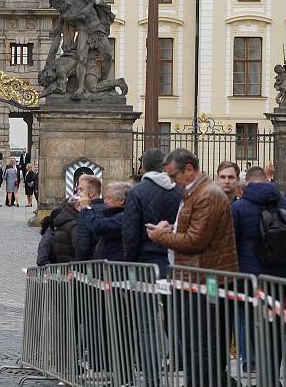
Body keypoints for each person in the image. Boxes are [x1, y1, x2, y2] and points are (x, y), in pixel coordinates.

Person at [146, 149, 239, 387]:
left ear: (189, 169)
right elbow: (189, 232)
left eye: (174, 175)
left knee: (202, 344)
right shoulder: (193, 191)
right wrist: (170, 230)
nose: (172, 181)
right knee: (193, 342)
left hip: (205, 279)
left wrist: (161, 237)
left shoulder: (207, 194)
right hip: (193, 277)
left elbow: (195, 241)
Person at [232, 174, 286, 375]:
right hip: (279, 276)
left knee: (250, 323)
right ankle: (272, 375)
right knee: (275, 325)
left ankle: (254, 364)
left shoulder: (239, 207)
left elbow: (232, 242)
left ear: (247, 183)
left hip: (249, 277)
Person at [122, 147, 182, 276]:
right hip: (177, 256)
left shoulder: (136, 192)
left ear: (143, 168)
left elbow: (130, 231)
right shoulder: (180, 190)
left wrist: (130, 261)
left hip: (147, 258)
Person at [76, 182, 131, 261]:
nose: (105, 201)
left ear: (121, 200)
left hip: (116, 266)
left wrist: (86, 207)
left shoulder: (125, 216)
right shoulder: (114, 215)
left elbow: (99, 226)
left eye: (109, 198)